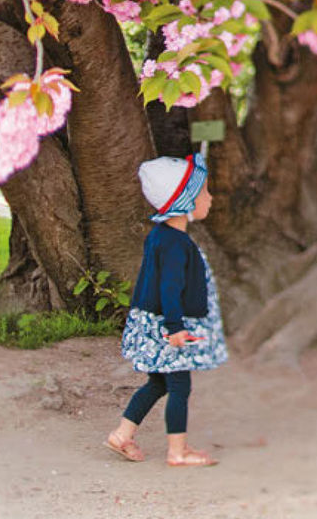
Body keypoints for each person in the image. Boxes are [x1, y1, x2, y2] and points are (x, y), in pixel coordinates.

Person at [105, 151, 228, 468]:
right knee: (179, 385)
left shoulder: (160, 236)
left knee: (159, 382)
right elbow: (169, 288)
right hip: (167, 324)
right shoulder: (176, 244)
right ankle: (178, 451)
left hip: (153, 320)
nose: (210, 198)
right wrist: (175, 327)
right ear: (186, 202)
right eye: (204, 192)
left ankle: (122, 434)